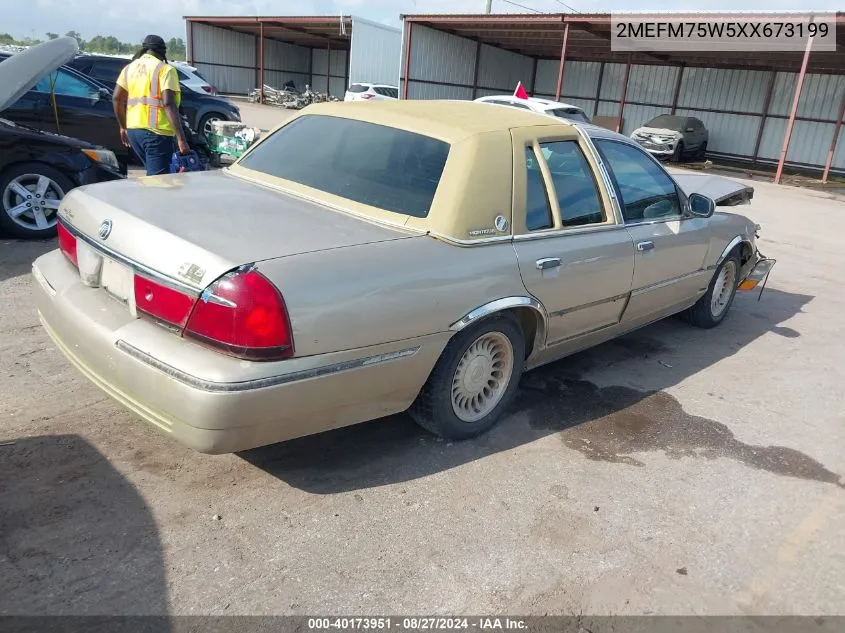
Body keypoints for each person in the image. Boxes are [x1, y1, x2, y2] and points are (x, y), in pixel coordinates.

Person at [112, 34, 189, 176]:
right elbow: (168, 103)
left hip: (134, 132)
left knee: (153, 176)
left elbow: (116, 98)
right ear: (162, 51)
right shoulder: (165, 69)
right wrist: (181, 139)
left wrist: (123, 127)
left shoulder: (129, 68)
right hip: (156, 133)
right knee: (157, 182)